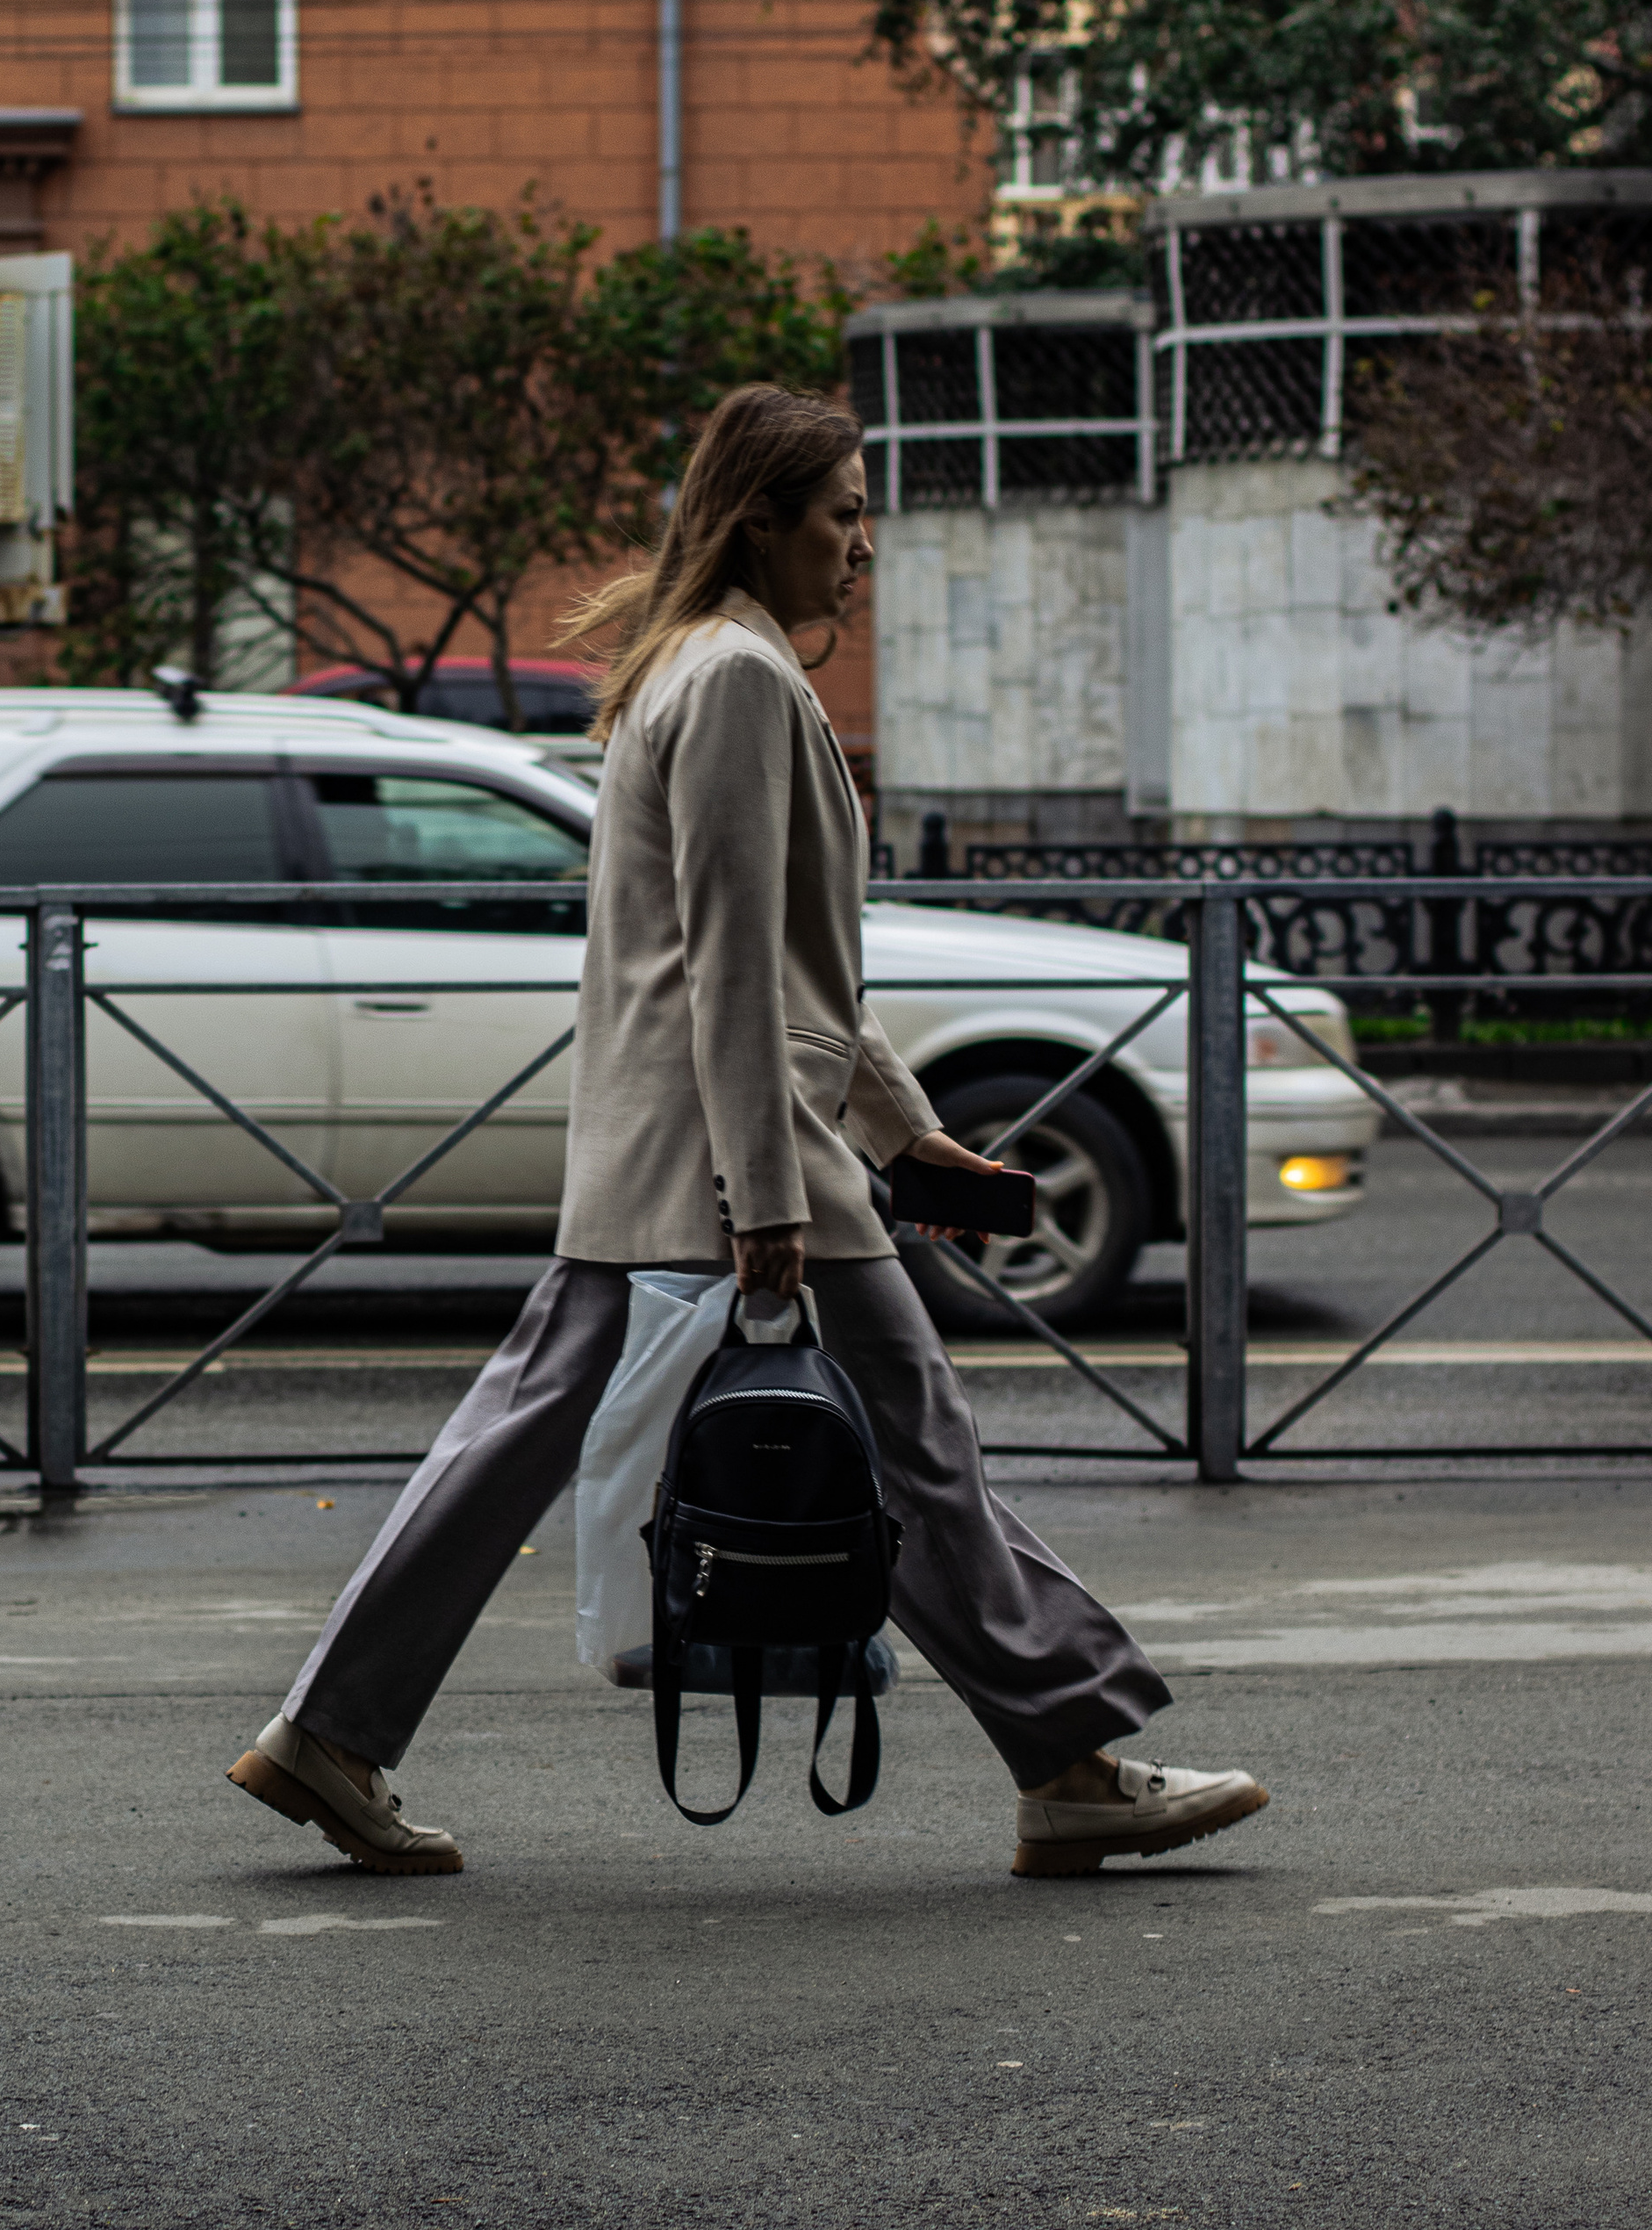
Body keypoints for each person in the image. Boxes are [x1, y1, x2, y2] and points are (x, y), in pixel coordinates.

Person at [228, 385, 1268, 1881]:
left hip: (678, 1152)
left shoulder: (708, 663)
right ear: (761, 519)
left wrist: (905, 1136)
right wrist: (768, 1193)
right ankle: (1071, 1765)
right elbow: (731, 956)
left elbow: (787, 965)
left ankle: (328, 1731)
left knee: (526, 1440)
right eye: (844, 513)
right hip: (740, 1160)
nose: (863, 544)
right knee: (917, 1450)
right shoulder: (732, 676)